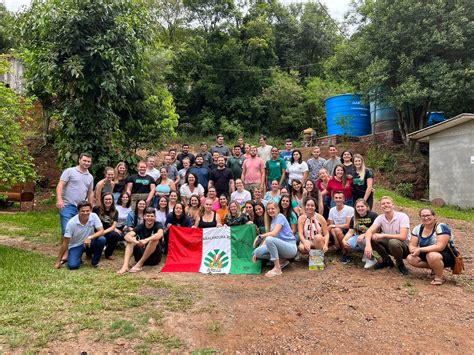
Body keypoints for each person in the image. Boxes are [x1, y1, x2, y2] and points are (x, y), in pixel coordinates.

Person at [56, 153, 94, 264]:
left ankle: (74, 251)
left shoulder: (90, 177)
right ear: (79, 160)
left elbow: (90, 192)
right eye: (84, 160)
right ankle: (66, 253)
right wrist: (59, 199)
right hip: (67, 205)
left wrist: (90, 207)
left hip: (81, 208)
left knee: (78, 230)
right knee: (66, 229)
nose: (86, 163)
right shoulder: (69, 171)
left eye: (88, 161)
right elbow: (60, 185)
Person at [407, 208, 458, 285]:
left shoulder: (442, 227)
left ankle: (439, 277)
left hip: (446, 254)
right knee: (411, 258)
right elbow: (412, 244)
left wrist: (419, 249)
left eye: (428, 215)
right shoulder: (418, 228)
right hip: (427, 253)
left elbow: (440, 247)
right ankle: (436, 268)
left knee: (432, 255)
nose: (426, 217)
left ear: (434, 216)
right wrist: (413, 250)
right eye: (423, 216)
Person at [364, 196, 410, 275]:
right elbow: (369, 231)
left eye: (388, 203)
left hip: (404, 246)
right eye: (383, 204)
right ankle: (387, 261)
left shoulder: (402, 216)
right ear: (381, 206)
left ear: (393, 205)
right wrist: (368, 246)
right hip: (389, 243)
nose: (385, 205)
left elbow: (403, 236)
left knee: (393, 242)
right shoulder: (380, 218)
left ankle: (400, 263)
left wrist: (383, 235)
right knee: (373, 237)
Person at [54, 200, 105, 270]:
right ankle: (76, 256)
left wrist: (90, 237)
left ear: (91, 210)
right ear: (78, 211)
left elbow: (101, 231)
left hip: (89, 242)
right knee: (73, 266)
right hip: (76, 245)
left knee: (102, 239)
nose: (85, 213)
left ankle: (95, 262)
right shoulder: (71, 223)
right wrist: (58, 261)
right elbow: (65, 243)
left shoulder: (94, 216)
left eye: (87, 211)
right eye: (82, 211)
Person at [252, 201, 297, 277]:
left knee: (270, 239)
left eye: (272, 208)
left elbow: (273, 234)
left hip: (290, 247)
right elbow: (268, 238)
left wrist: (259, 236)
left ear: (277, 209)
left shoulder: (280, 216)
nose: (270, 211)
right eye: (268, 209)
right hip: (280, 247)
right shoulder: (272, 220)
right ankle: (281, 260)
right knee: (257, 252)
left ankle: (277, 268)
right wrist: (259, 249)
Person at [117, 207, 164, 274]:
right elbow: (126, 236)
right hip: (140, 254)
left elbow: (160, 234)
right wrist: (136, 242)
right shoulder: (140, 226)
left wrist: (146, 240)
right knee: (131, 241)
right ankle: (125, 266)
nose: (149, 218)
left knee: (154, 239)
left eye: (152, 216)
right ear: (144, 217)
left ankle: (139, 264)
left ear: (155, 217)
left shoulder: (158, 224)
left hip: (154, 258)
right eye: (148, 216)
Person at [342, 199, 378, 268]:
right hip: (359, 236)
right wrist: (344, 240)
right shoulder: (354, 218)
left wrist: (364, 235)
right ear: (355, 208)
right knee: (349, 243)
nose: (360, 208)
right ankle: (365, 253)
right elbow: (350, 232)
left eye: (362, 206)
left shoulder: (373, 215)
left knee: (362, 240)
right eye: (358, 207)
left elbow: (376, 230)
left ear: (367, 207)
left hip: (372, 236)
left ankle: (371, 259)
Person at [93, 192, 122, 260]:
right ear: (103, 200)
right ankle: (91, 253)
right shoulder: (96, 209)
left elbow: (113, 226)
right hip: (96, 231)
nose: (108, 201)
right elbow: (92, 221)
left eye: (110, 199)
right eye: (106, 199)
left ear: (112, 200)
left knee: (115, 235)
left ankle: (108, 253)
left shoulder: (115, 211)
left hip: (106, 231)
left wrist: (103, 232)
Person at [327, 191, 355, 263]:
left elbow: (348, 225)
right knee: (328, 232)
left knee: (337, 230)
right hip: (335, 231)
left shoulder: (350, 209)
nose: (338, 199)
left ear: (344, 199)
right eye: (336, 198)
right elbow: (331, 226)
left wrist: (334, 226)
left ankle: (345, 253)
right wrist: (336, 239)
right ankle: (317, 256)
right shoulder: (332, 210)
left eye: (340, 198)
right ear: (333, 199)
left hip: (348, 231)